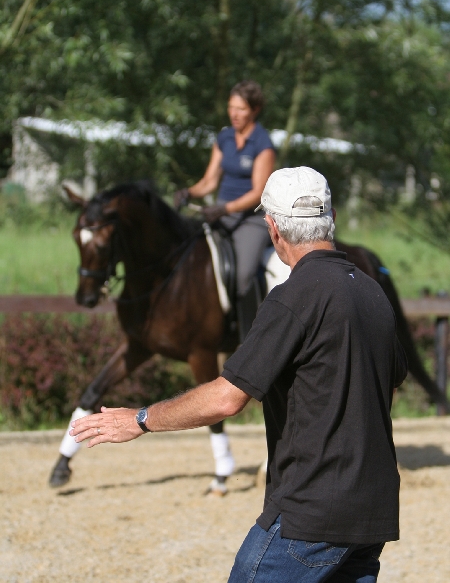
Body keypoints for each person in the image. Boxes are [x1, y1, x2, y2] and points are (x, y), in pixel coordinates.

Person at [71, 166, 407, 583]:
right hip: (372, 511)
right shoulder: (372, 292)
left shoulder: (292, 297)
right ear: (331, 216)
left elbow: (227, 398)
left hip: (309, 514)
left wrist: (140, 419)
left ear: (273, 228)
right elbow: (388, 384)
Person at [174, 80, 276, 341]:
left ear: (255, 109)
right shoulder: (224, 137)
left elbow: (259, 192)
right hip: (220, 212)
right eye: (231, 107)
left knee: (242, 275)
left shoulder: (262, 144)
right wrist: (189, 192)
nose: (234, 114)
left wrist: (224, 208)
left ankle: (251, 339)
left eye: (241, 109)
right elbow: (209, 181)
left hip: (252, 218)